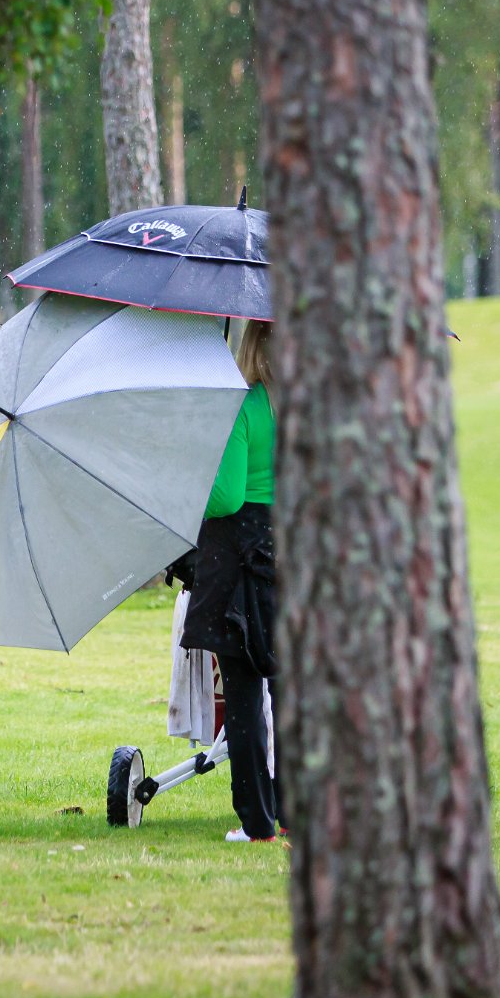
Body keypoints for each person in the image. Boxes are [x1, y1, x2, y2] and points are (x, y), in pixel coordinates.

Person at [179, 320, 281, 841]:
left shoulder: (244, 408)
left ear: (252, 345)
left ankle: (258, 822)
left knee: (243, 698)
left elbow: (227, 499)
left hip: (244, 560)